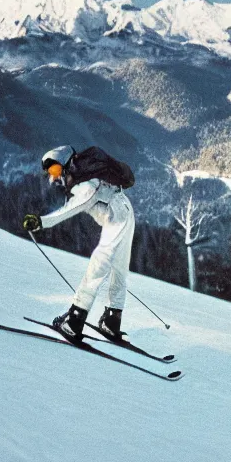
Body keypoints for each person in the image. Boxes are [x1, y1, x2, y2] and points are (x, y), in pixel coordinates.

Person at [22, 145, 135, 344]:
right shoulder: (87, 177)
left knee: (97, 266)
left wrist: (42, 221)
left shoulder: (86, 183)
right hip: (125, 212)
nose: (54, 176)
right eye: (50, 172)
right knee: (119, 269)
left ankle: (74, 320)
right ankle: (112, 319)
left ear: (64, 162)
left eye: (55, 169)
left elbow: (72, 207)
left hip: (117, 216)